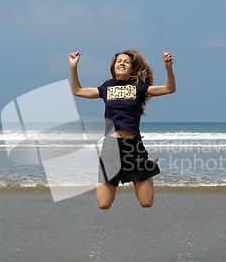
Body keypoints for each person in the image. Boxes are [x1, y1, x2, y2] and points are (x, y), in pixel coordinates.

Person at [69, 49, 176, 209]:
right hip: (111, 147)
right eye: (119, 61)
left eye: (126, 61)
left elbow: (169, 88)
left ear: (132, 69)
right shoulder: (106, 87)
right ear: (114, 67)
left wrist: (168, 68)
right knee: (103, 204)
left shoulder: (139, 87)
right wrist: (73, 67)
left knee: (146, 203)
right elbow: (77, 90)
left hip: (133, 147)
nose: (122, 63)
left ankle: (148, 166)